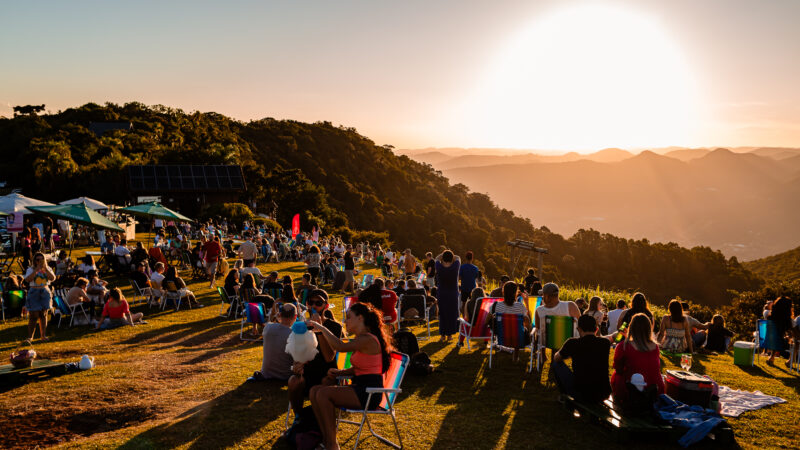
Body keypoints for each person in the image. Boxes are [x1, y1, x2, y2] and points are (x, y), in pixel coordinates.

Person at [308, 302, 393, 450]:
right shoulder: (362, 339)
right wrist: (340, 373)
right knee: (314, 390)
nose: (345, 321)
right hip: (361, 388)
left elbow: (340, 346)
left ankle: (332, 445)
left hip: (369, 393)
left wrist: (321, 327)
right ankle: (326, 439)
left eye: (348, 317)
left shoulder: (367, 339)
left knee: (323, 394)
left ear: (360, 318)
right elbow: (360, 368)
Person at [286, 290, 343, 421]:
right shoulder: (301, 326)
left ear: (326, 306)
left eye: (318, 303)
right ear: (307, 304)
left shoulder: (334, 326)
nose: (314, 306)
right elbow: (298, 352)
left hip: (326, 373)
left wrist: (319, 330)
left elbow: (329, 357)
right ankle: (299, 417)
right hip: (308, 372)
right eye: (311, 302)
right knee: (293, 381)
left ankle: (321, 419)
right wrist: (297, 363)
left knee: (324, 383)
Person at [553, 315, 612, 403]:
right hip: (603, 392)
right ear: (596, 329)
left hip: (581, 393)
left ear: (579, 329)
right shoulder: (605, 343)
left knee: (556, 364)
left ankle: (564, 394)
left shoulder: (572, 343)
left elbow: (556, 358)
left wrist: (569, 353)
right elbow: (611, 337)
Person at [611, 313, 665, 403]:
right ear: (649, 329)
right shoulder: (655, 347)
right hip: (655, 391)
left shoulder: (623, 346)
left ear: (631, 328)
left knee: (616, 375)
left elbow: (618, 369)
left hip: (632, 392)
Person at [250, 303, 297, 382]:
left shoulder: (268, 328)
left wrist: (278, 319)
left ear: (280, 314)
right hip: (285, 376)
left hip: (266, 374)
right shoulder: (294, 335)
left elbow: (278, 329)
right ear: (295, 316)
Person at [493, 282, 532, 362]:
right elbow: (528, 320)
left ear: (503, 292)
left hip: (502, 337)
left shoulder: (496, 305)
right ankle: (515, 356)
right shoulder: (520, 306)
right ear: (515, 293)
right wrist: (526, 302)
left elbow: (487, 320)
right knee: (519, 330)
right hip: (518, 337)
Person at [534, 283, 580, 347]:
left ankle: (543, 356)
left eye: (543, 295)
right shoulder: (570, 306)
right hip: (569, 342)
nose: (542, 297)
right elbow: (580, 323)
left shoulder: (539, 310)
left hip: (548, 342)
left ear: (547, 296)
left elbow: (538, 328)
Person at [24, 252, 56, 342]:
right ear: (34, 261)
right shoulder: (30, 269)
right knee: (33, 315)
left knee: (43, 314)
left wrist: (45, 269)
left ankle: (43, 335)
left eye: (41, 259)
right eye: (37, 260)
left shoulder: (47, 268)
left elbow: (53, 278)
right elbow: (27, 279)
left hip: (44, 290)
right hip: (34, 291)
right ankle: (30, 337)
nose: (39, 261)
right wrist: (36, 270)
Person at [435, 250, 461, 342]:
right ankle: (449, 335)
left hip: (442, 293)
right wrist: (452, 255)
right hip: (453, 293)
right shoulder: (455, 266)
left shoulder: (439, 266)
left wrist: (442, 255)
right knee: (451, 314)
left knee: (442, 314)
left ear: (443, 259)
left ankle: (442, 335)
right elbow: (458, 258)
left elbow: (437, 258)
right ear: (451, 259)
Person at [766, 296, 793, 365]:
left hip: (767, 342)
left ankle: (771, 357)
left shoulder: (769, 318)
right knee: (793, 341)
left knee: (776, 338)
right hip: (782, 348)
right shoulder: (787, 322)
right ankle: (790, 361)